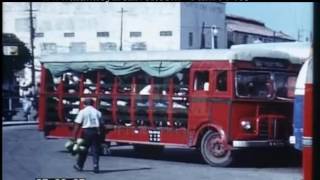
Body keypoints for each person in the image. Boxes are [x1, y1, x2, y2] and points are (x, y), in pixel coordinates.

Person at [72, 98, 102, 173]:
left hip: (86, 132)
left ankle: (79, 165)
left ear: (84, 104)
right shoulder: (97, 112)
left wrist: (74, 136)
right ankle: (96, 166)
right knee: (95, 150)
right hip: (95, 132)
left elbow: (78, 124)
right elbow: (101, 124)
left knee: (83, 150)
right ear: (92, 104)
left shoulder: (82, 112)